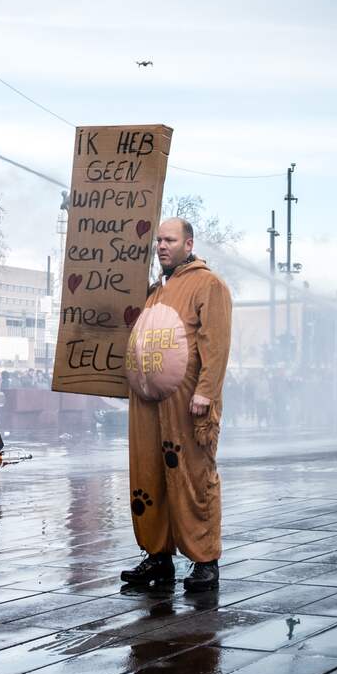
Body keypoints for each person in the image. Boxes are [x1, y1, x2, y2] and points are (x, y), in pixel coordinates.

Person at [120, 218, 232, 592]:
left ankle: (205, 561)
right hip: (148, 402)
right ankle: (158, 556)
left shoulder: (209, 285)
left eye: (170, 240)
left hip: (187, 401)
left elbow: (215, 345)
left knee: (192, 476)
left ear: (189, 244)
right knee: (148, 475)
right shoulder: (155, 291)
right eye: (159, 241)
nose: (162, 246)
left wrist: (206, 391)